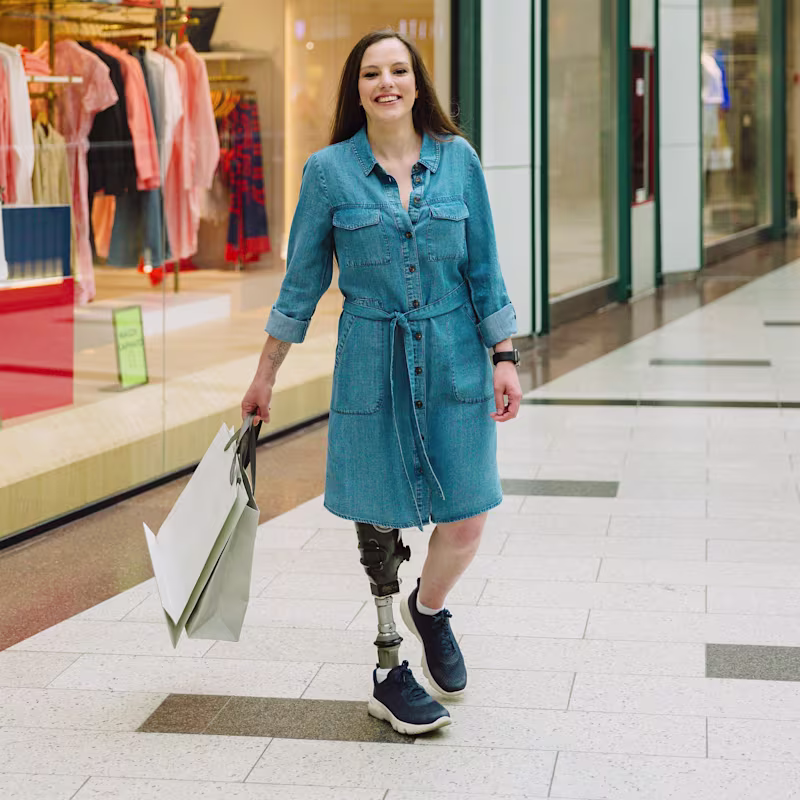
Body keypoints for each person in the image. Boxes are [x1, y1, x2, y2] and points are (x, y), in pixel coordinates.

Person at [241, 29, 522, 735]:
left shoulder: (458, 162)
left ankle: (429, 610)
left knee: (469, 514)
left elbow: (483, 268)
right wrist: (264, 376)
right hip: (372, 359)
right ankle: (387, 666)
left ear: (418, 83)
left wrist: (505, 355)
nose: (386, 83)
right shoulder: (328, 173)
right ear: (357, 88)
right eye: (372, 73)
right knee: (379, 521)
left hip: (455, 352)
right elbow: (301, 285)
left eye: (399, 70)